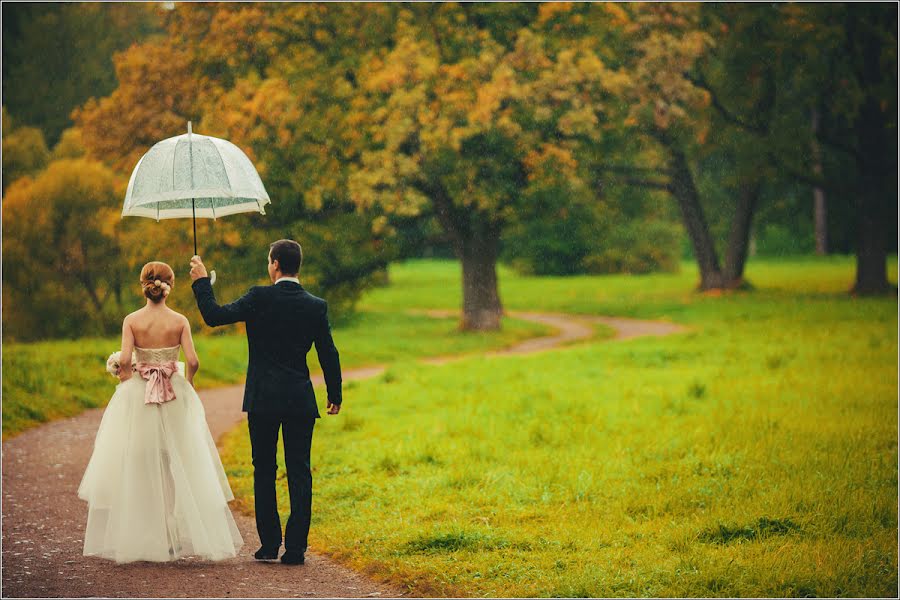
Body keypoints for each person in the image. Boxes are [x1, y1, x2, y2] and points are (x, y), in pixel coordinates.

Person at [189, 239, 342, 566]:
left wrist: (201, 281)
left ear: (274, 264)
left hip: (263, 399)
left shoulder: (259, 297)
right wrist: (334, 394)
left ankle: (270, 544)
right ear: (296, 266)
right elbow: (328, 352)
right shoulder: (316, 305)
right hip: (300, 399)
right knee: (299, 470)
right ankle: (296, 548)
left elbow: (214, 316)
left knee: (264, 469)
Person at [78, 261, 243, 563]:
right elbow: (192, 361)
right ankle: (171, 533)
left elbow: (126, 360)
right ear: (171, 285)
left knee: (139, 464)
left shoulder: (132, 320)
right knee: (174, 463)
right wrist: (187, 384)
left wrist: (128, 381)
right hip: (173, 394)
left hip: (140, 396)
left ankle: (145, 533)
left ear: (143, 285)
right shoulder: (179, 320)